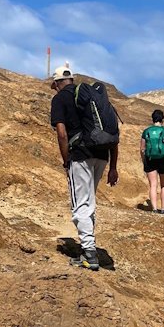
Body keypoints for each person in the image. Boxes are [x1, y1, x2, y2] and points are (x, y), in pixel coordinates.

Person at [50, 65, 118, 271]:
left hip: (80, 155)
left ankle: (89, 253)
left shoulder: (60, 99)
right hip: (102, 154)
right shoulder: (90, 95)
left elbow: (62, 134)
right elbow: (113, 134)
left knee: (80, 205)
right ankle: (88, 248)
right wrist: (113, 166)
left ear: (56, 84)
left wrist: (66, 159)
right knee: (89, 201)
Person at [140, 109, 164, 214]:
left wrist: (144, 161)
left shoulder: (146, 131)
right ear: (162, 119)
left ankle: (154, 209)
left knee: (153, 185)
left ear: (152, 119)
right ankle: (163, 210)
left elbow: (142, 149)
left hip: (150, 159)